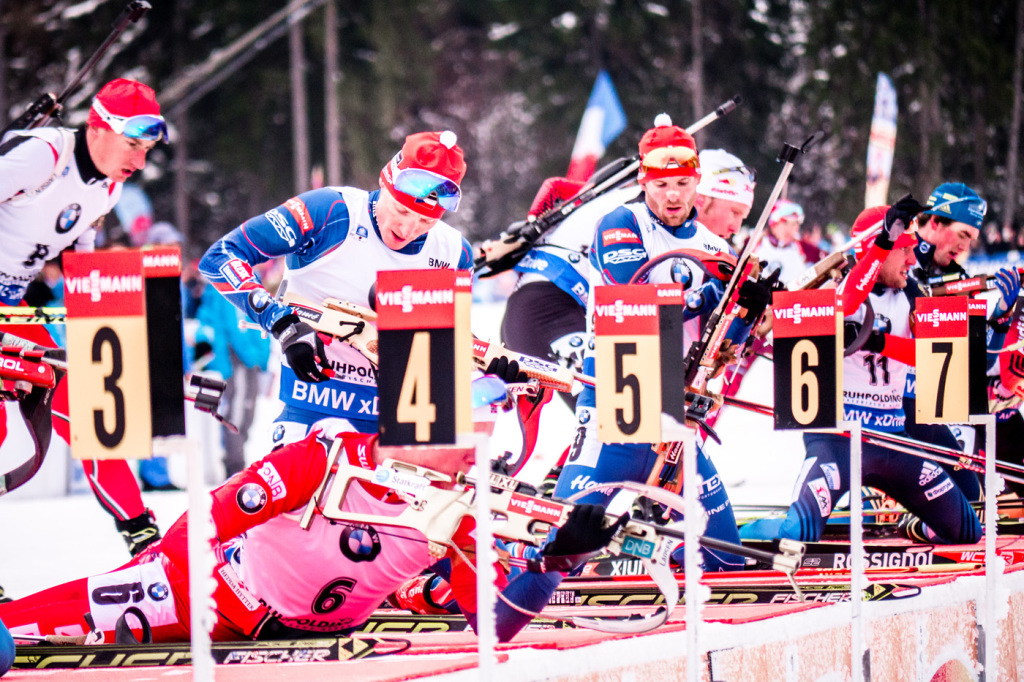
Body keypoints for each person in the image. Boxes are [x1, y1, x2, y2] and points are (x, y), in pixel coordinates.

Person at [0, 412, 622, 644]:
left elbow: (496, 626)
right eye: (470, 438)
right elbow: (193, 529)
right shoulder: (323, 458)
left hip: (321, 641)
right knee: (17, 632)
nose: (478, 456)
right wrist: (237, 618)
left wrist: (555, 563)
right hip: (205, 599)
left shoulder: (464, 505)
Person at [552, 116, 772, 571]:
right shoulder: (619, 222)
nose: (673, 195)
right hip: (617, 398)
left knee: (725, 556)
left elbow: (725, 344)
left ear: (696, 183)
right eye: (662, 184)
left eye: (682, 183)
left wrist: (746, 310)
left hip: (673, 410)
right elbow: (632, 297)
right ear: (643, 181)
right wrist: (711, 295)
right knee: (564, 547)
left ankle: (668, 573)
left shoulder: (716, 246)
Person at [199, 130, 473, 447]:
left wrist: (493, 367)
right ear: (385, 182)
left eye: (426, 222)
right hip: (314, 414)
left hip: (401, 429)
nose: (407, 229)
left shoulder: (455, 253)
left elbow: (449, 343)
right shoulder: (331, 211)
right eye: (401, 210)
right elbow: (220, 256)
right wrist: (281, 323)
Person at [742, 199, 983, 545]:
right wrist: (882, 245)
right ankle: (731, 539)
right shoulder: (831, 289)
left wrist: (880, 342)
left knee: (966, 531)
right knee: (797, 534)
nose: (914, 261)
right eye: (904, 251)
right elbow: (845, 307)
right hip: (839, 443)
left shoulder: (909, 293)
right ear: (878, 251)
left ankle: (913, 528)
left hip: (895, 441)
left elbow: (941, 358)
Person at [0, 77, 169, 556]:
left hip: (13, 309)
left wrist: (105, 324)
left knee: (91, 409)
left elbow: (84, 266)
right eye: (132, 144)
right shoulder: (45, 155)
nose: (139, 161)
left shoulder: (109, 191)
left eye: (148, 148)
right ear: (98, 129)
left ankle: (144, 540)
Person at [194, 276, 271, 478]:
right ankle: (235, 464)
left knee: (242, 412)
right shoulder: (230, 282)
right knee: (237, 412)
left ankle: (233, 461)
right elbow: (235, 325)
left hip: (237, 361)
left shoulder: (246, 282)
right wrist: (254, 357)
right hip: (236, 361)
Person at [692, 149, 756, 244]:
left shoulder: (722, 253)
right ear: (700, 200)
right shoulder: (662, 238)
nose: (736, 229)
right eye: (735, 212)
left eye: (742, 218)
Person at [755, 199, 827, 284]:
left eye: (794, 224)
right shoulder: (755, 243)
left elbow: (828, 262)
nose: (790, 229)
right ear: (773, 225)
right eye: (785, 223)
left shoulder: (804, 249)